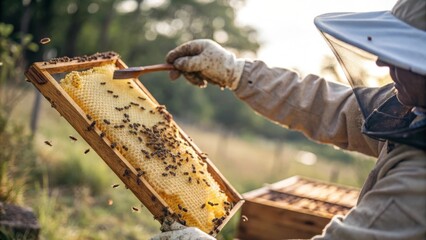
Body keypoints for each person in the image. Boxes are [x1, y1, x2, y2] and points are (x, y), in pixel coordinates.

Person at [151, 0, 426, 239]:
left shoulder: (418, 182)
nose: (382, 61)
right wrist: (236, 71)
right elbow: (327, 107)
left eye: (403, 52)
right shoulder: (413, 107)